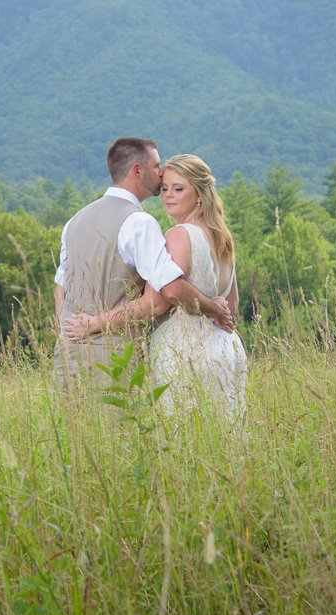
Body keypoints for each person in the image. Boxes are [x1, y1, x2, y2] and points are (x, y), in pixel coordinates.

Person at [64, 154, 247, 419]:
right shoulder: (223, 238)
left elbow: (157, 300)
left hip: (184, 351)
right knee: (226, 435)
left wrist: (94, 323)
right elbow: (230, 306)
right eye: (165, 189)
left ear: (199, 195)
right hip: (227, 350)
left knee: (184, 436)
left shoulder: (179, 234)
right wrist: (214, 311)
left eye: (179, 189)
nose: (168, 196)